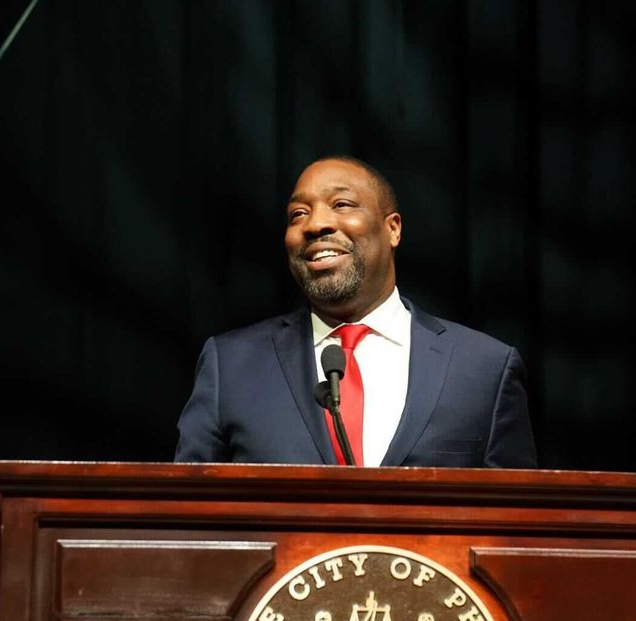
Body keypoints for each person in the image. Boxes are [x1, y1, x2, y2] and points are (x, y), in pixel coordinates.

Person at [174, 156, 536, 467]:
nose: (315, 225)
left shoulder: (484, 369)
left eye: (342, 204)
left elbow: (518, 528)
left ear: (392, 228)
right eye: (298, 214)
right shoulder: (232, 366)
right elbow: (188, 517)